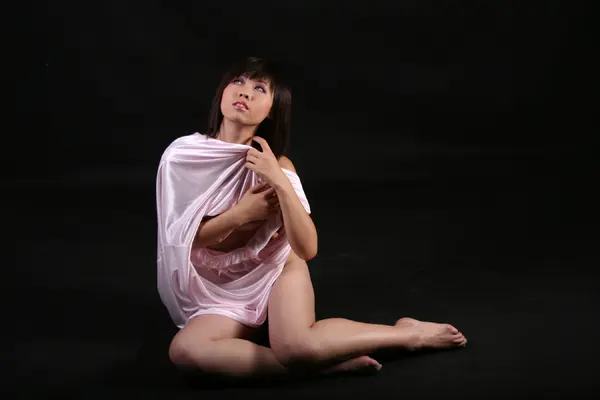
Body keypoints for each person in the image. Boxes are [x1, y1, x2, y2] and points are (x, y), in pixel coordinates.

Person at [156, 56, 467, 379]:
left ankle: (407, 334)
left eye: (259, 88)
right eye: (238, 82)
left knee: (297, 346)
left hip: (275, 269)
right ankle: (318, 365)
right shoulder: (183, 155)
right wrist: (242, 214)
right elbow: (180, 239)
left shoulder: (277, 165)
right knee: (186, 351)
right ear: (223, 92)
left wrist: (279, 181)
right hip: (216, 285)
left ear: (272, 109)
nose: (245, 92)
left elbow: (307, 248)